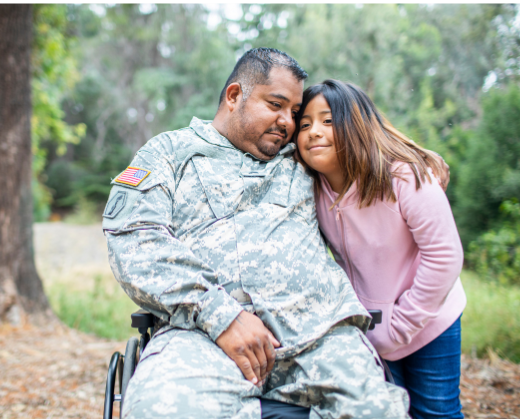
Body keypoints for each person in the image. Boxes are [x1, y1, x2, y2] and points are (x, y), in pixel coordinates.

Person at [103, 48, 410, 419]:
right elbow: (133, 239)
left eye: (295, 112)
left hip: (318, 335)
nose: (288, 122)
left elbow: (363, 142)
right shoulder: (169, 153)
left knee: (378, 411)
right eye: (276, 104)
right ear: (234, 96)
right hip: (203, 336)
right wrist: (220, 315)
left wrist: (419, 159)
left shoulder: (302, 155)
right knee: (161, 408)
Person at [296, 79, 465, 419]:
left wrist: (400, 327)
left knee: (436, 411)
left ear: (356, 124)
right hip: (372, 327)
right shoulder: (308, 187)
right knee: (391, 410)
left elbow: (445, 256)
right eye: (305, 124)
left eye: (328, 121)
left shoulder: (405, 176)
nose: (314, 131)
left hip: (428, 317)